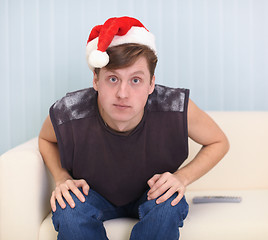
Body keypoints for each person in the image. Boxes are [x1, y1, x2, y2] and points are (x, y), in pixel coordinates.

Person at [39, 16, 229, 240]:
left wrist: (182, 177)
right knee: (68, 208)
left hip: (152, 193)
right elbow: (45, 139)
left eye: (136, 80)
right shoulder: (70, 110)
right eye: (112, 79)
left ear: (151, 84)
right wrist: (61, 177)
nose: (123, 93)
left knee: (169, 204)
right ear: (96, 81)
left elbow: (219, 141)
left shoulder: (175, 106)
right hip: (93, 193)